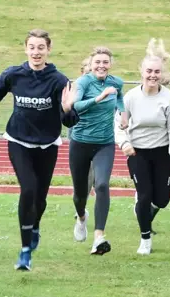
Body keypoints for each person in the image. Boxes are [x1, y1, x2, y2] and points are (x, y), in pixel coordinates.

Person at [0, 29, 79, 271]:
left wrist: (67, 108)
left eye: (41, 47)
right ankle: (25, 252)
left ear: (48, 50)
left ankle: (34, 227)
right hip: (18, 140)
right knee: (29, 189)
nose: (36, 52)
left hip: (47, 144)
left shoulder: (59, 80)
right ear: (26, 49)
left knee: (41, 199)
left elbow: (70, 122)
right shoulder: (14, 74)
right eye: (32, 47)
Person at [114, 38, 170, 255]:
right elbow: (119, 124)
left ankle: (145, 210)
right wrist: (124, 142)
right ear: (141, 72)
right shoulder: (131, 97)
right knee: (144, 195)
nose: (153, 75)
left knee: (162, 199)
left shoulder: (168, 98)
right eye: (149, 71)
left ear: (162, 73)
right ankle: (145, 239)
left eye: (157, 72)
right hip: (137, 152)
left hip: (162, 151)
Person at [70, 46, 126, 255]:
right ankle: (81, 218)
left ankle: (99, 237)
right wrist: (99, 98)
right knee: (80, 194)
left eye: (105, 62)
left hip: (105, 143)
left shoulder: (116, 82)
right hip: (80, 143)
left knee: (102, 185)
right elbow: (75, 106)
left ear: (110, 64)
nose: (101, 66)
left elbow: (120, 97)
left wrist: (123, 113)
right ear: (91, 64)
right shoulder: (84, 82)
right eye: (97, 62)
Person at [68, 57, 95, 197]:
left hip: (100, 137)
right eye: (88, 72)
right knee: (83, 174)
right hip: (78, 135)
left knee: (98, 178)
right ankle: (81, 207)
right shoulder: (74, 88)